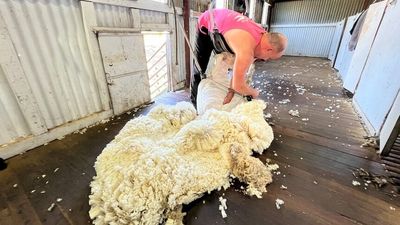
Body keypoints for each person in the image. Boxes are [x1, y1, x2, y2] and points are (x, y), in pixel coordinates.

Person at [191, 8, 288, 107]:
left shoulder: (263, 37)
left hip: (226, 25)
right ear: (269, 49)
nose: (266, 59)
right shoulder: (246, 49)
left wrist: (231, 91)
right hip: (207, 21)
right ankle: (194, 105)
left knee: (235, 59)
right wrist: (254, 93)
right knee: (199, 68)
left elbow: (238, 73)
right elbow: (238, 86)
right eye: (270, 57)